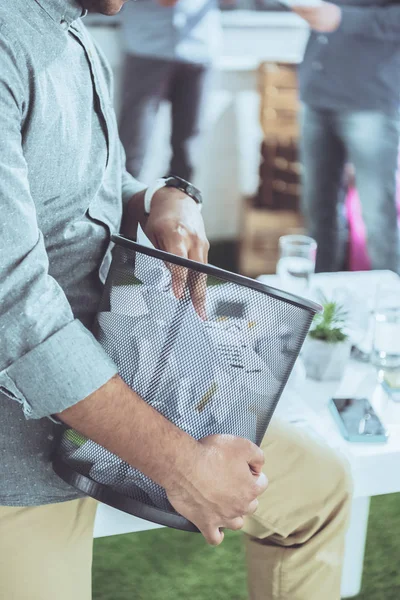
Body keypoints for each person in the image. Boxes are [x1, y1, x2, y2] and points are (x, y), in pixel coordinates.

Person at [0, 2, 351, 599]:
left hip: (128, 374)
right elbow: (14, 309)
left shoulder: (70, 25)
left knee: (320, 492)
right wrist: (180, 464)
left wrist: (162, 196)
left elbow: (85, 183)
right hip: (17, 455)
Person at [292, 0, 400, 273]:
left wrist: (342, 18)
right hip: (316, 95)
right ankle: (320, 308)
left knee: (378, 220)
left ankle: (391, 308)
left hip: (370, 101)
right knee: (318, 216)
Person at [118, 0, 221, 181]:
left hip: (198, 49)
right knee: (133, 143)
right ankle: (122, 205)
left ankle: (178, 205)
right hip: (147, 49)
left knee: (188, 149)